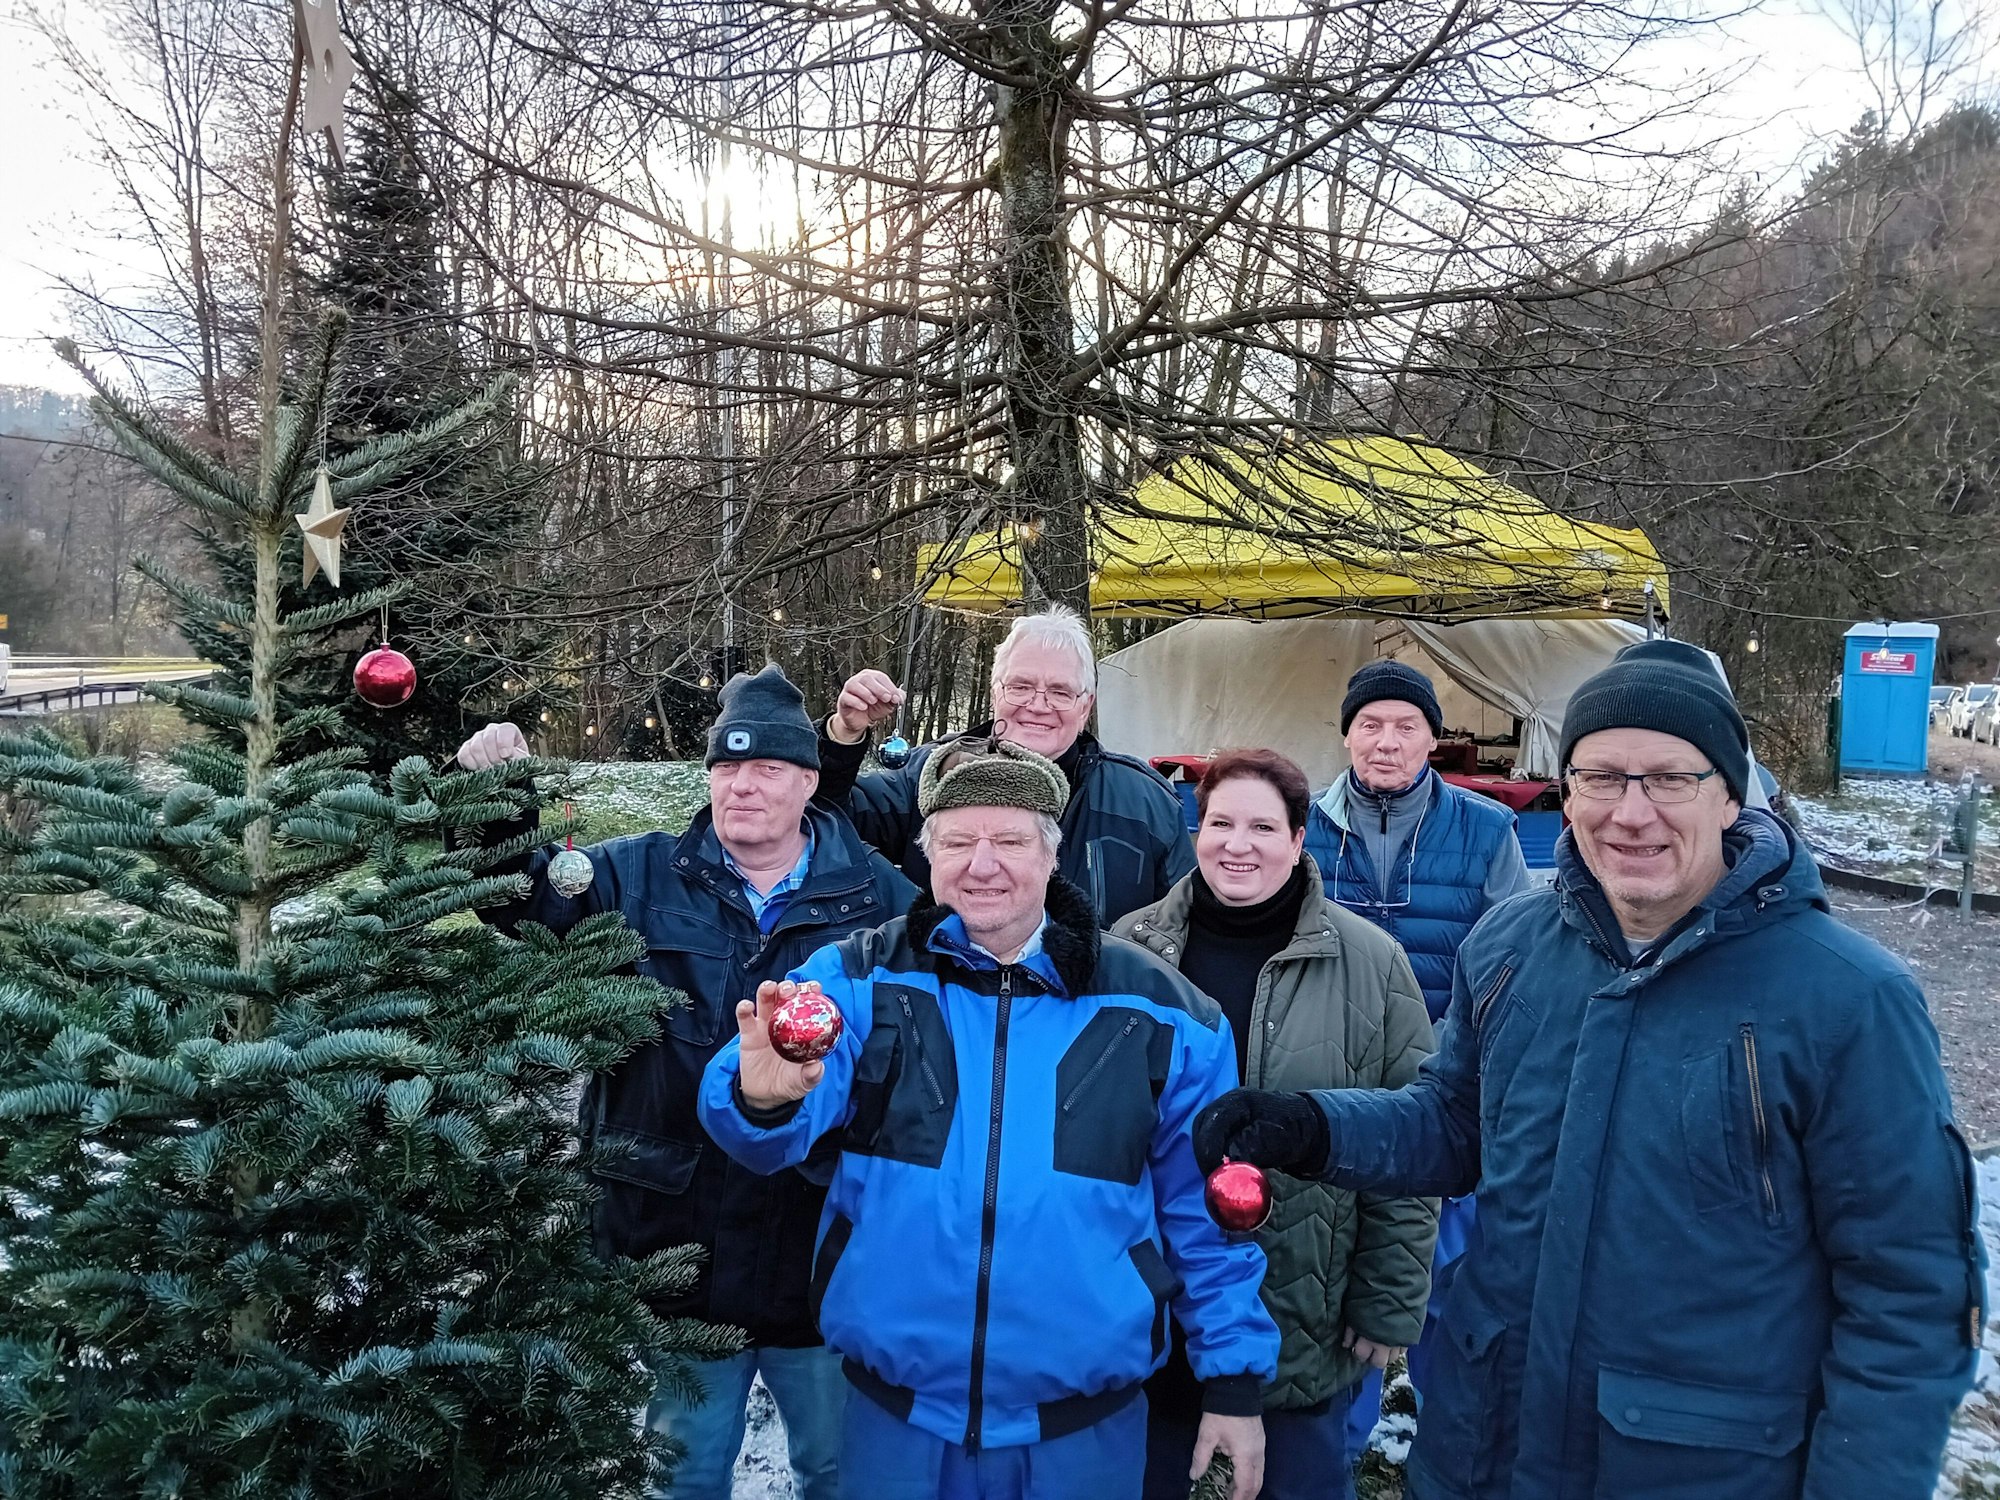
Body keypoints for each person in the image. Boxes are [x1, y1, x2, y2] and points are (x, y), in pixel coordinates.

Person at [1195, 638, 1984, 1499]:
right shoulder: (1509, 950)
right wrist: (1312, 1126)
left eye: (1670, 779)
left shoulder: (1849, 1002)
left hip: (1698, 1471)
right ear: (1567, 795)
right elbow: (1455, 1123)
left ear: (1730, 795)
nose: (1630, 812)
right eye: (1601, 777)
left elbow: (1910, 1299)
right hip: (1485, 1450)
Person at [698, 735, 1278, 1500]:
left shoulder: (1164, 1012)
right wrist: (763, 1096)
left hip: (1082, 1431)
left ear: (1051, 855)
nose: (983, 864)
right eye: (959, 841)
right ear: (927, 857)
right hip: (893, 1424)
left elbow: (1208, 1215)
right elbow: (762, 1121)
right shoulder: (863, 978)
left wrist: (1233, 1383)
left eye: (1009, 840)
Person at [453, 665, 916, 1500]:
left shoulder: (879, 899)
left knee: (840, 1472)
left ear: (810, 781)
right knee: (686, 1471)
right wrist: (492, 801)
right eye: (727, 767)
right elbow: (513, 900)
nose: (743, 786)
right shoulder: (634, 877)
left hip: (820, 1249)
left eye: (767, 768)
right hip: (677, 1245)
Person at [1112, 749, 1437, 1500]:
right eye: (1220, 822)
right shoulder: (1128, 951)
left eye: (1263, 826)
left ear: (1298, 841)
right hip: (1150, 1303)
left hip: (1302, 1308)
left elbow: (1410, 1139)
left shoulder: (1372, 965)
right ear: (1196, 832)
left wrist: (1387, 1298)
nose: (1238, 843)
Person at [1303, 658, 1532, 1449]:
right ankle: (1347, 1421)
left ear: (1433, 739)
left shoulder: (1486, 829)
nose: (1387, 742)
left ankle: (1440, 1429)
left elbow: (1512, 957)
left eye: (1406, 727)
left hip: (1448, 1086)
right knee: (1338, 1256)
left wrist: (1462, 1063)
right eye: (1371, 725)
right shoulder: (1304, 826)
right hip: (1335, 1077)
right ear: (1346, 735)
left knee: (1445, 1267)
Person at [815, 604, 1195, 924]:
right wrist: (844, 734)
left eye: (1060, 691)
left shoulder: (1146, 803)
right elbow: (826, 818)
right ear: (995, 692)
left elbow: (1183, 922)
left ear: (1086, 706)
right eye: (1021, 686)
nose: (1038, 705)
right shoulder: (933, 774)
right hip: (947, 999)